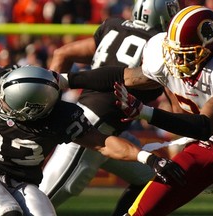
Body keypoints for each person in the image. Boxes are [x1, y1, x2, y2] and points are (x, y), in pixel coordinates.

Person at [0, 65, 185, 216]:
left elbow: (104, 143)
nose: (0, 103)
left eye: (8, 103)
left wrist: (148, 158)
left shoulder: (62, 117)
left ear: (33, 111)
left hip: (24, 183)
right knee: (8, 212)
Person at [72, 5, 213, 215]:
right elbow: (125, 76)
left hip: (206, 135)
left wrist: (145, 112)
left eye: (185, 54)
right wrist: (67, 80)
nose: (177, 61)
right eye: (174, 53)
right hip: (209, 146)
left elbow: (204, 126)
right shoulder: (163, 56)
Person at [39, 0, 180, 215]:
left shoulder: (113, 26)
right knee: (37, 205)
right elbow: (178, 111)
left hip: (107, 131)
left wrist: (49, 104)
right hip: (89, 130)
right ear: (165, 16)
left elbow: (61, 54)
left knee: (153, 178)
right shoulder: (160, 46)